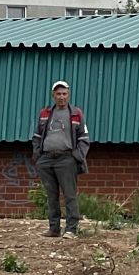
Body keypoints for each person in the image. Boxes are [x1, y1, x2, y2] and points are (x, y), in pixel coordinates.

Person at [30, 80, 90, 236]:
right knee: (51, 195)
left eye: (64, 94)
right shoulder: (45, 113)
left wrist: (77, 156)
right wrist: (38, 155)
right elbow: (36, 136)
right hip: (46, 159)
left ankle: (71, 229)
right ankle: (54, 228)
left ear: (68, 95)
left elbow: (84, 139)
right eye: (58, 94)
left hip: (66, 159)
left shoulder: (76, 113)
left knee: (69, 195)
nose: (61, 97)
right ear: (53, 95)